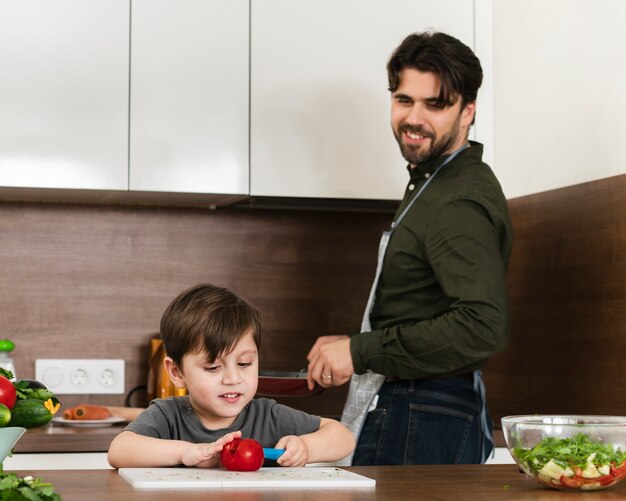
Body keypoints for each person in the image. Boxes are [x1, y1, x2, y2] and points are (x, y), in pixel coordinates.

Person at [306, 31, 513, 466]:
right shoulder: (432, 182)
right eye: (404, 100)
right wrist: (354, 344)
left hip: (426, 412)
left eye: (434, 104)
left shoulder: (457, 199)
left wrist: (359, 351)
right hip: (419, 406)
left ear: (467, 112)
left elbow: (481, 326)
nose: (414, 118)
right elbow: (420, 307)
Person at [108, 283, 355, 468]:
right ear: (177, 372)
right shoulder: (167, 415)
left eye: (245, 363)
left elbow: (343, 436)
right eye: (214, 368)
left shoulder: (268, 416)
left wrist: (307, 447)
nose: (233, 378)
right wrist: (185, 452)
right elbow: (119, 451)